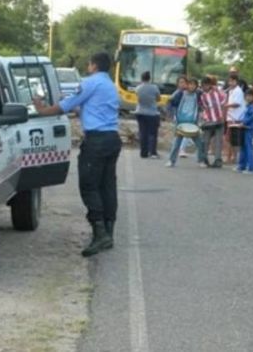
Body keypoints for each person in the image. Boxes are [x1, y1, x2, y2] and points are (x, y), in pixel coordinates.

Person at [34, 52, 120, 257]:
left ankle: (99, 233)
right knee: (107, 185)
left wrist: (41, 109)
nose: (88, 67)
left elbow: (65, 106)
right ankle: (108, 231)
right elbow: (90, 109)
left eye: (89, 64)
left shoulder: (90, 83)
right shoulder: (109, 86)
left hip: (96, 141)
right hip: (111, 139)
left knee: (89, 186)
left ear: (93, 65)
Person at [166, 78, 206, 168]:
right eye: (190, 84)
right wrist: (170, 115)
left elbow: (204, 101)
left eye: (193, 84)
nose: (191, 86)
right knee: (177, 143)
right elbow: (170, 102)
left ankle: (201, 160)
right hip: (181, 122)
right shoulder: (180, 93)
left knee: (200, 143)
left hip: (193, 123)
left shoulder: (198, 94)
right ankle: (171, 161)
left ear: (196, 86)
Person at [198, 76, 227, 168]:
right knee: (205, 140)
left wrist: (223, 116)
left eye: (205, 85)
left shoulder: (218, 93)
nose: (204, 87)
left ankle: (218, 160)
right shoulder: (202, 96)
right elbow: (204, 109)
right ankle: (205, 158)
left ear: (209, 85)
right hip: (209, 121)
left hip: (219, 119)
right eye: (203, 86)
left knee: (218, 141)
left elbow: (223, 104)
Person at [134, 71, 161, 159]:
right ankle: (152, 152)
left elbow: (138, 99)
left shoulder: (138, 88)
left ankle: (143, 153)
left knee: (142, 133)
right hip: (152, 113)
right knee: (152, 133)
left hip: (140, 112)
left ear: (141, 78)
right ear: (149, 78)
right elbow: (158, 99)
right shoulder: (154, 88)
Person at [225, 74, 245, 170]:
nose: (230, 83)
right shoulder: (231, 90)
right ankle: (229, 157)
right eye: (229, 81)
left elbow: (237, 104)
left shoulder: (238, 91)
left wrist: (225, 106)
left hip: (236, 118)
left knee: (234, 139)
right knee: (229, 138)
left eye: (232, 81)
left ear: (236, 81)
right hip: (230, 117)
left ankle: (234, 157)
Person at [235, 89, 253, 174]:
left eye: (250, 96)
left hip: (249, 128)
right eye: (247, 96)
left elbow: (252, 117)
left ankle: (251, 167)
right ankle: (242, 166)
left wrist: (244, 122)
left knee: (248, 147)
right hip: (244, 128)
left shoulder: (252, 106)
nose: (248, 98)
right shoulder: (247, 106)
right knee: (243, 147)